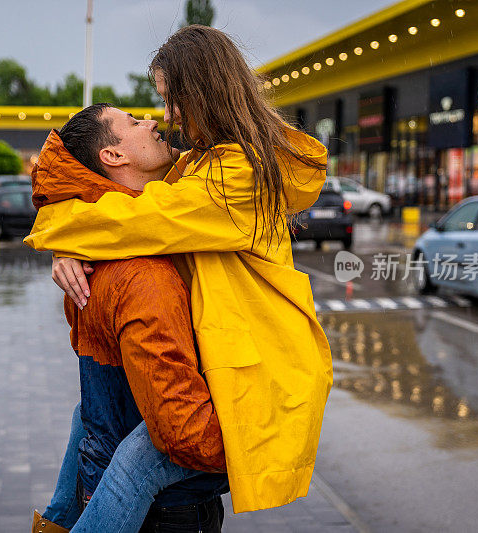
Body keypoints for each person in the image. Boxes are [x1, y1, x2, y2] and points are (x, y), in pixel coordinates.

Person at [27, 23, 332, 523]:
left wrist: (60, 238)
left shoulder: (238, 178)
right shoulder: (200, 166)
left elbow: (137, 218)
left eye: (170, 100)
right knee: (90, 426)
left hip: (257, 373)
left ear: (201, 94)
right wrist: (63, 246)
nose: (164, 117)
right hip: (229, 363)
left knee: (131, 465)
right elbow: (96, 191)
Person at [31, 104, 228, 533]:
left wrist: (66, 243)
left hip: (99, 485)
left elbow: (99, 401)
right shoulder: (144, 276)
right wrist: (255, 440)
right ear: (113, 156)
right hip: (165, 513)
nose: (153, 121)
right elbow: (181, 431)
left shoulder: (91, 256)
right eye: (135, 123)